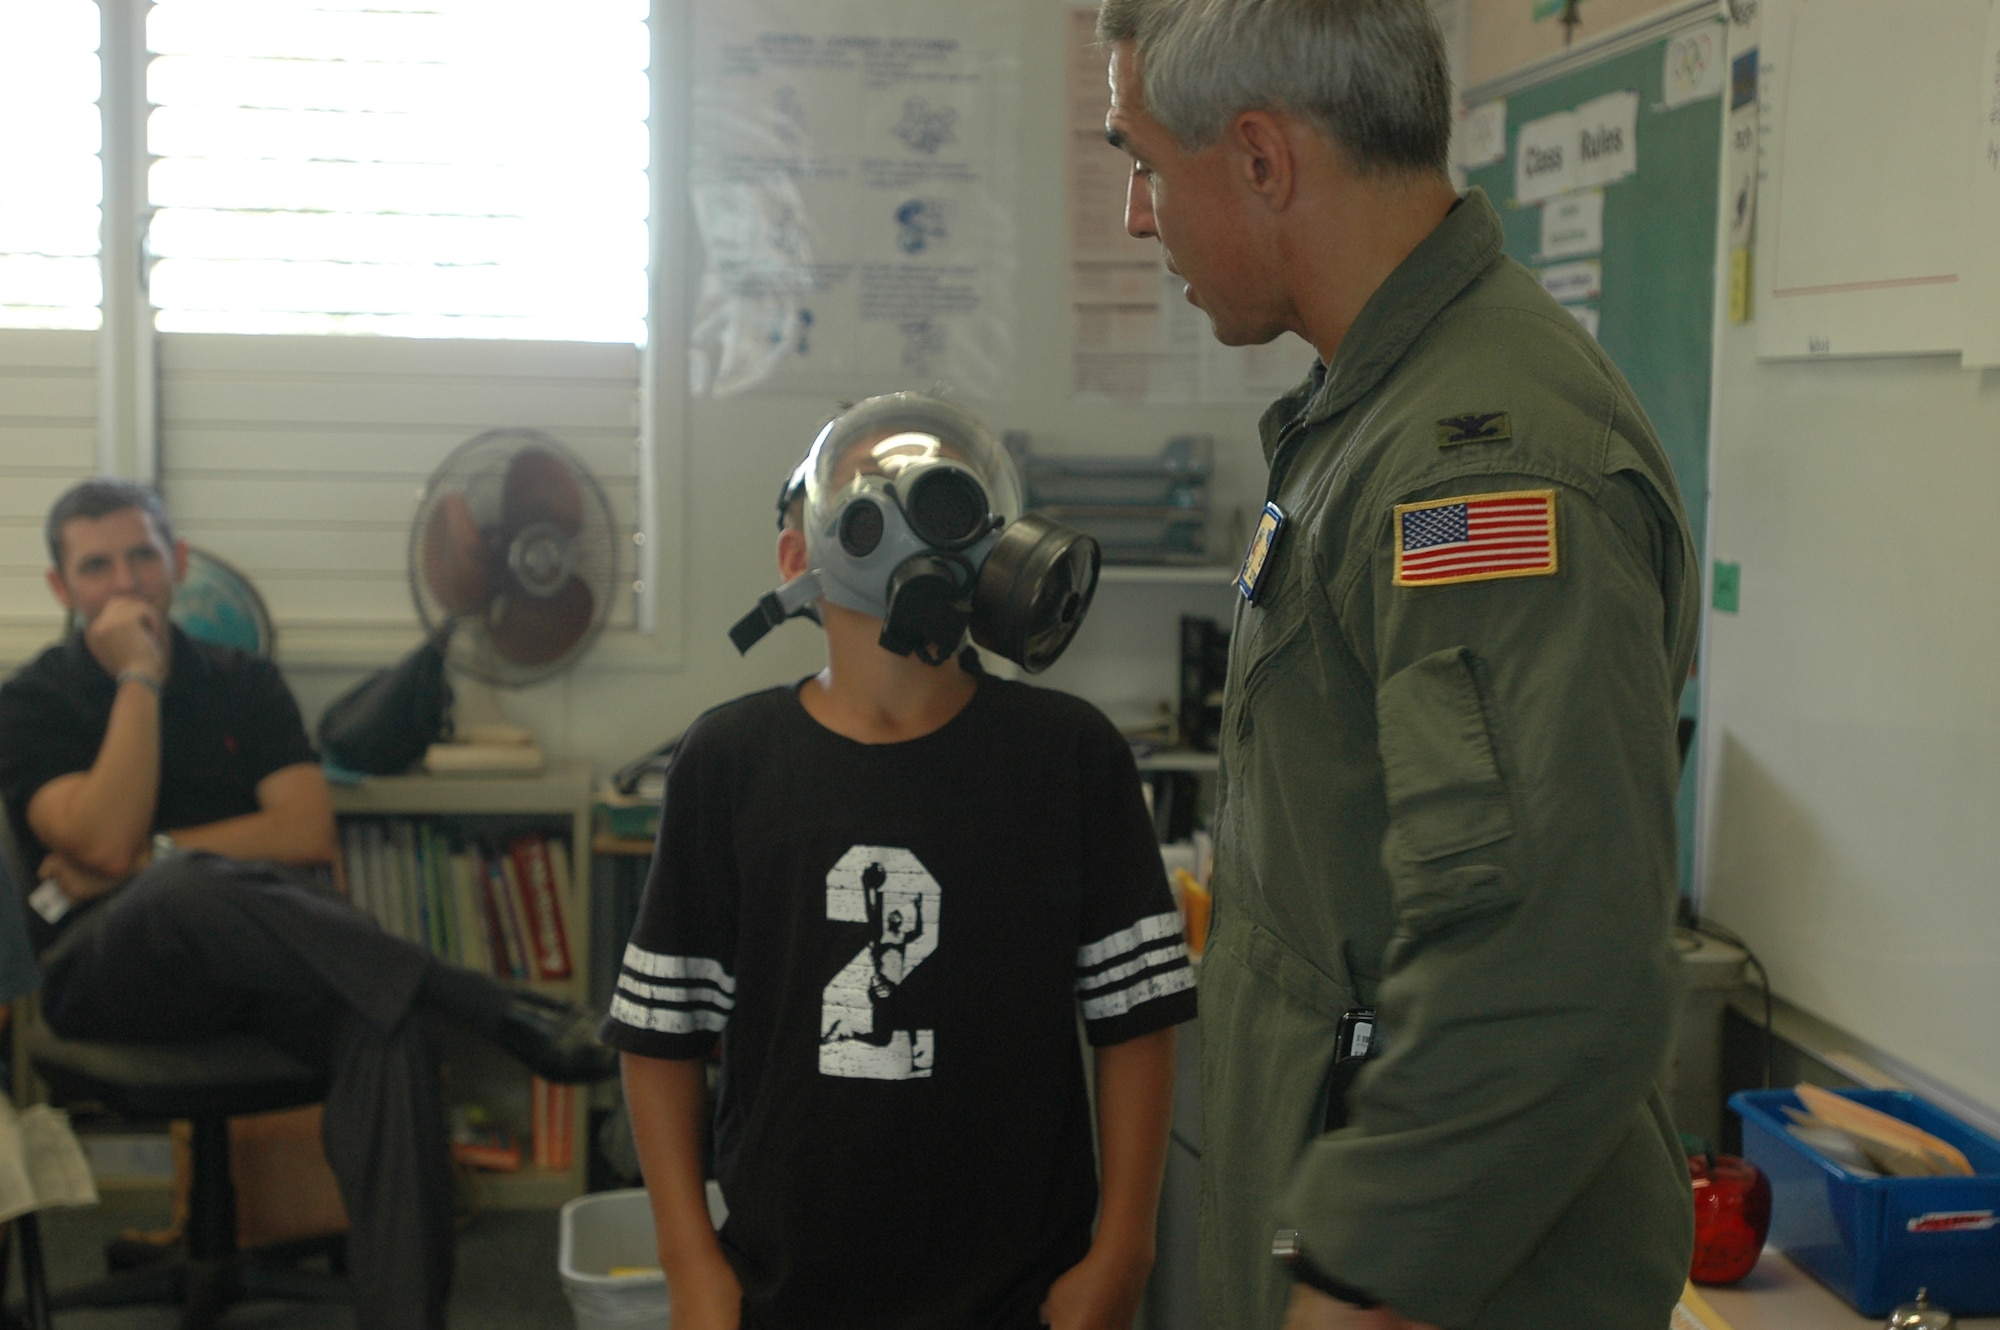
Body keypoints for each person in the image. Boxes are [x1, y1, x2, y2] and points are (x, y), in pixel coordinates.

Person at [1096, 3, 1700, 1328]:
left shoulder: (1476, 466)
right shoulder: (1375, 410)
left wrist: (1365, 1273)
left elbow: (1547, 958)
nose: (1139, 218)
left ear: (1261, 159)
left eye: (1142, 162)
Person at [605, 393, 1197, 1330]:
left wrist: (1125, 1249)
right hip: (785, 1282)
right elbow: (661, 1033)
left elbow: (1136, 1019)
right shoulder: (730, 759)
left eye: (946, 487)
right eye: (872, 488)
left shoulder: (1069, 756)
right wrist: (691, 1263)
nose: (918, 503)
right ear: (799, 554)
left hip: (1018, 1288)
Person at [0, 478, 617, 1330]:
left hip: (259, 968)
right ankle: (491, 1009)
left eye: (142, 555)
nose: (125, 582)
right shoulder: (33, 701)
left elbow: (303, 831)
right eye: (96, 566)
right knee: (180, 890)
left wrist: (161, 854)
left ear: (176, 564)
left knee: (385, 1022)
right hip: (107, 978)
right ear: (62, 590)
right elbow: (103, 843)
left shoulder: (242, 681)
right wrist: (137, 679)